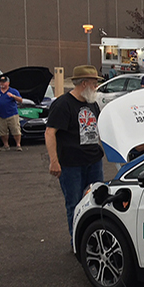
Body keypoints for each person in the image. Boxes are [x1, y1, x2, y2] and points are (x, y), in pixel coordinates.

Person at [45, 65, 105, 240]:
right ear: (84, 83)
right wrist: (54, 161)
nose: (96, 87)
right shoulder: (63, 104)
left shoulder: (92, 104)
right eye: (94, 83)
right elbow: (50, 132)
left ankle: (94, 238)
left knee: (97, 201)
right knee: (75, 205)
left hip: (94, 161)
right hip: (71, 164)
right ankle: (77, 242)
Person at [0, 75, 23, 151]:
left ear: (8, 83)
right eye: (1, 82)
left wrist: (13, 96)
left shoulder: (13, 91)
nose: (2, 84)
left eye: (4, 82)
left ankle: (18, 145)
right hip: (0, 115)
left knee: (16, 130)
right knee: (2, 131)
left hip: (12, 114)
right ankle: (6, 145)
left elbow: (20, 100)